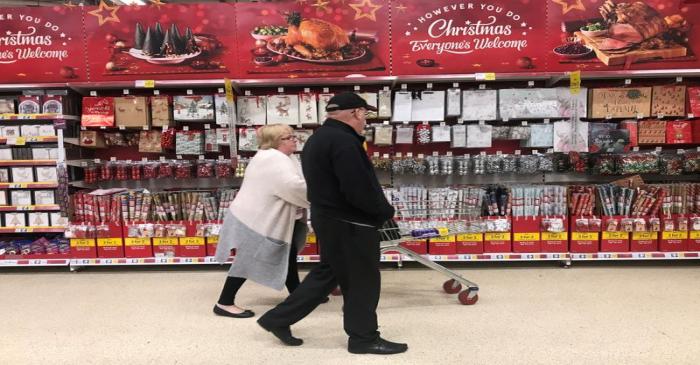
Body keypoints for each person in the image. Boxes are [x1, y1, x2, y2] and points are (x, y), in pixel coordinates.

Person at [257, 92, 408, 355]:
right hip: (351, 222)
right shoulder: (344, 142)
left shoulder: (319, 138)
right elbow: (357, 188)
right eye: (365, 115)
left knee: (329, 273)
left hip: (330, 219)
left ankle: (276, 319)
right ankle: (363, 338)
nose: (365, 121)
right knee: (363, 281)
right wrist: (384, 212)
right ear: (357, 113)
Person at [213, 124, 310, 318]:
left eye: (293, 135)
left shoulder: (283, 157)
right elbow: (293, 187)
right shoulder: (273, 160)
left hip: (263, 218)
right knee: (248, 260)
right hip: (257, 222)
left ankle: (298, 296)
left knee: (287, 255)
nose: (294, 139)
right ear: (274, 142)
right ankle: (224, 302)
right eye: (287, 137)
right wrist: (327, 192)